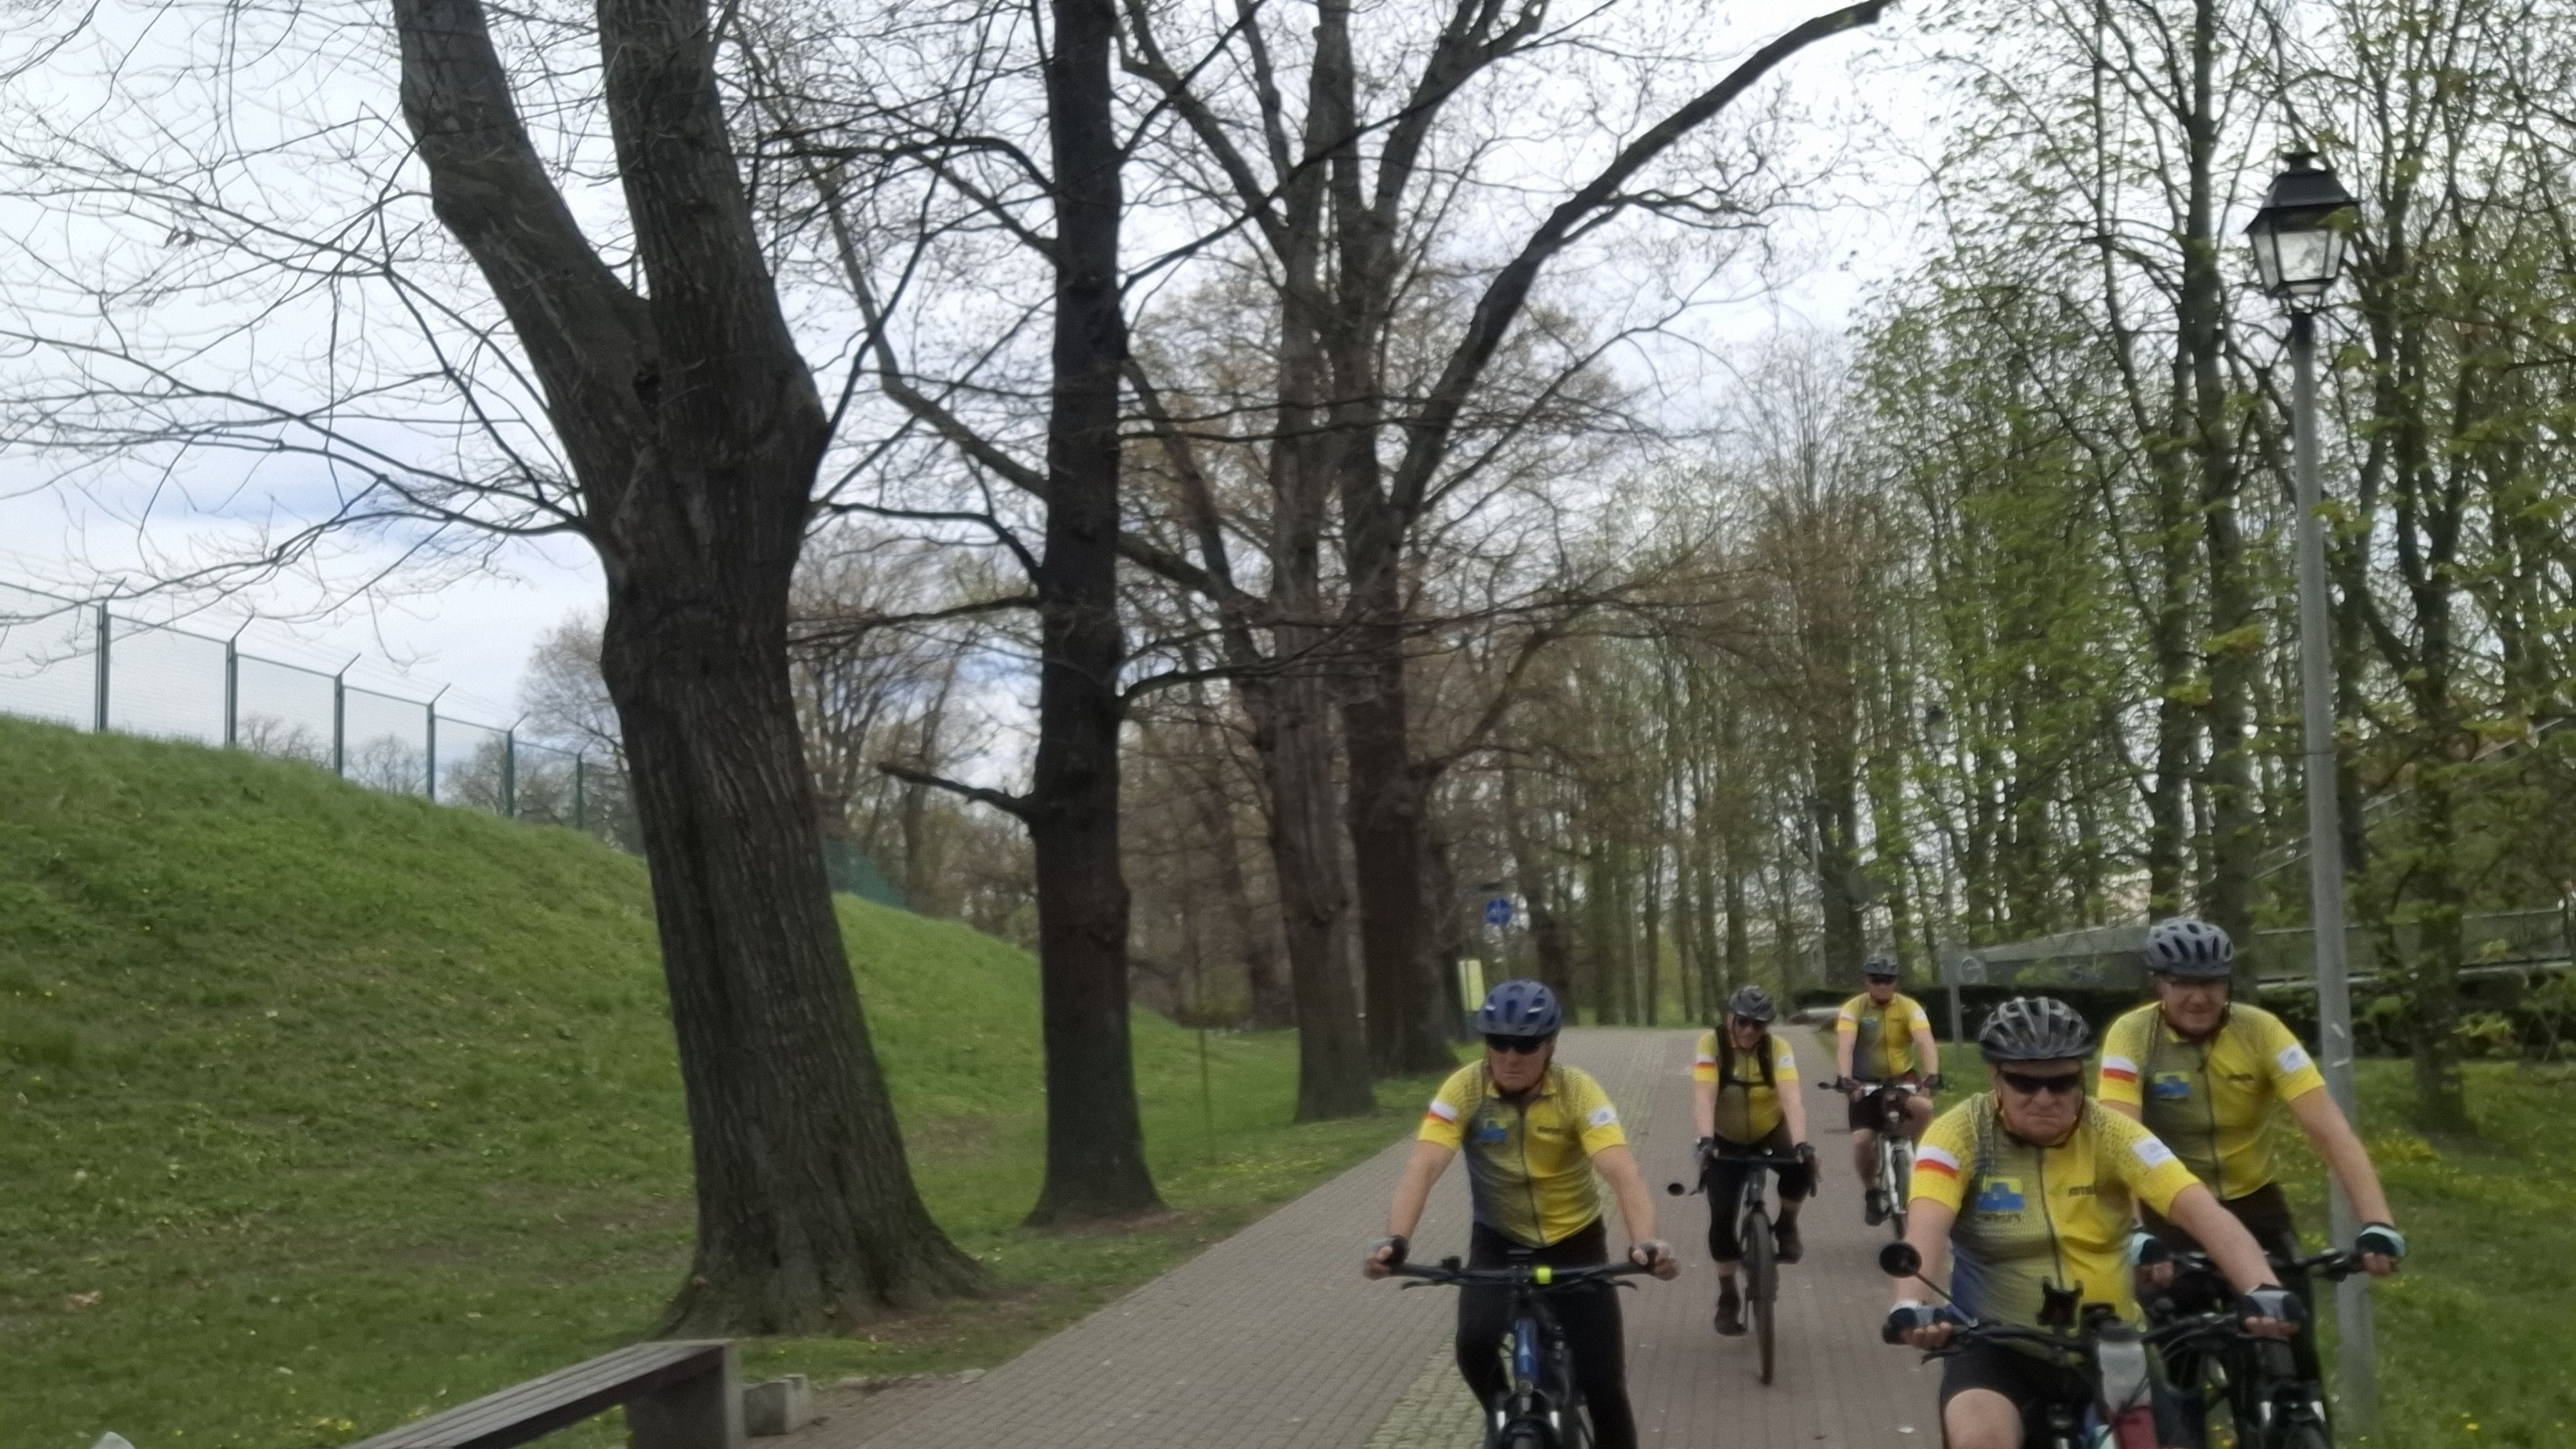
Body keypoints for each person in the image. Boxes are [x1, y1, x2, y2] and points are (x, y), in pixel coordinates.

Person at [1884, 996, 2303, 1449]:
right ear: (1995, 1078)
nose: (2045, 1098)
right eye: (2024, 1082)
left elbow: (2205, 1213)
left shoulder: (2112, 1132)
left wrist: (2262, 1288)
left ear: (2081, 1077)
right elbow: (1925, 1226)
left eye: (2062, 1083)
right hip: (1995, 1347)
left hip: (2111, 1346)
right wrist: (1912, 1304)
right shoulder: (1960, 1134)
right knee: (1980, 1441)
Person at [1363, 980, 1678, 1449]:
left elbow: (1622, 1172)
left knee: (1604, 1386)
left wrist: (1646, 1241)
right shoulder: (1463, 1088)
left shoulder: (1578, 1091)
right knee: (1474, 1346)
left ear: (1550, 1045)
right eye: (1498, 1041)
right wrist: (1396, 1239)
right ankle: (1504, 1416)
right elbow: (1423, 1165)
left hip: (1575, 1240)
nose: (1510, 1056)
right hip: (1498, 1239)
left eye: (1526, 1045)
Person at [2099, 917, 2404, 1382]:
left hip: (2254, 1202)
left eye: (2211, 983)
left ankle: (2300, 1411)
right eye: (2182, 983)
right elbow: (2120, 1136)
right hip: (2170, 1210)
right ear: (2158, 983)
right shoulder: (2132, 1034)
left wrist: (2377, 1221)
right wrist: (2136, 1229)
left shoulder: (2261, 1030)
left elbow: (2329, 1130)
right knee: (2179, 1357)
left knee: (2294, 1343)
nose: (2199, 997)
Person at [1692, 984, 1816, 1335]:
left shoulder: (1778, 1049)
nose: (1749, 1030)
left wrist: (1802, 1143)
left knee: (1803, 1165)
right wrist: (1705, 1140)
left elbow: (1792, 1099)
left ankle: (1787, 1223)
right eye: (1743, 1022)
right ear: (1729, 1018)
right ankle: (1728, 1295)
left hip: (1769, 1129)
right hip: (1724, 1136)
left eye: (1758, 1025)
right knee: (1722, 1217)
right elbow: (1704, 1095)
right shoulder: (1711, 1045)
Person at [1834, 952, 1941, 1222]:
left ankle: (1919, 1162)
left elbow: (1924, 1040)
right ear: (1866, 982)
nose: (1882, 985)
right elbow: (1845, 1045)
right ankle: (1871, 1191)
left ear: (1896, 982)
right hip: (1863, 1081)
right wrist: (1846, 1078)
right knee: (1862, 1142)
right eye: (1876, 980)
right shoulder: (1853, 1009)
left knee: (1924, 1107)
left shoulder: (1909, 1007)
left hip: (1902, 1077)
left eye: (1888, 980)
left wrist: (1931, 1075)